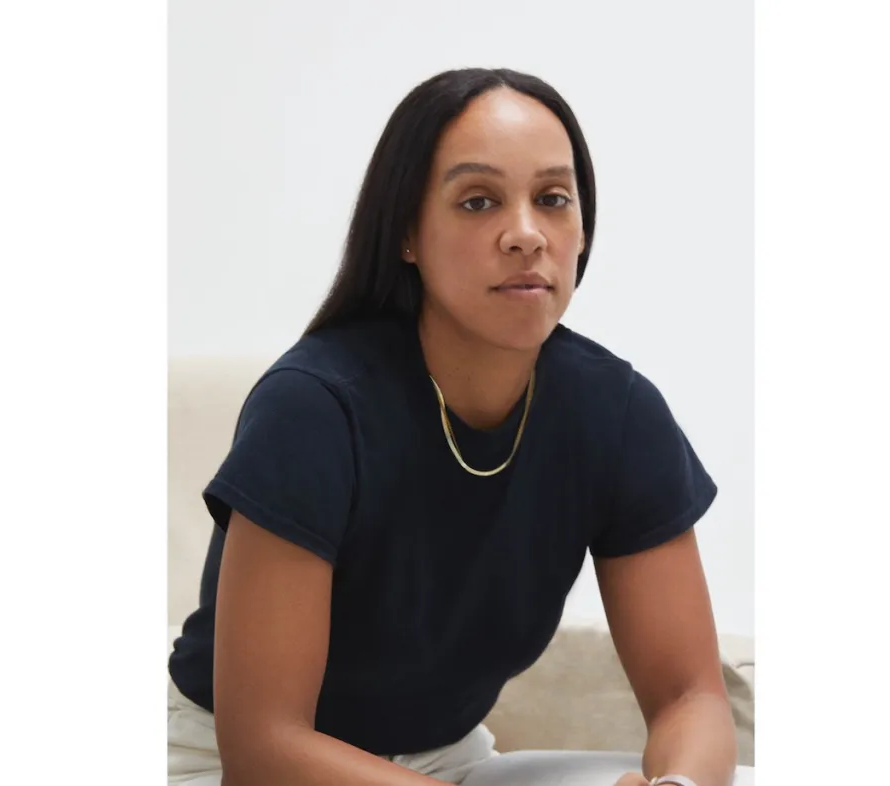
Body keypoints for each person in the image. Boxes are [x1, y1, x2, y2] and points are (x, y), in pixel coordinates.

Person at [167, 67, 752, 786]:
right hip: (232, 765)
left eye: (553, 199)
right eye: (478, 201)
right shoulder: (314, 409)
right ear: (406, 233)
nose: (526, 235)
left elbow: (689, 696)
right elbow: (265, 747)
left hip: (446, 762)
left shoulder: (617, 412)